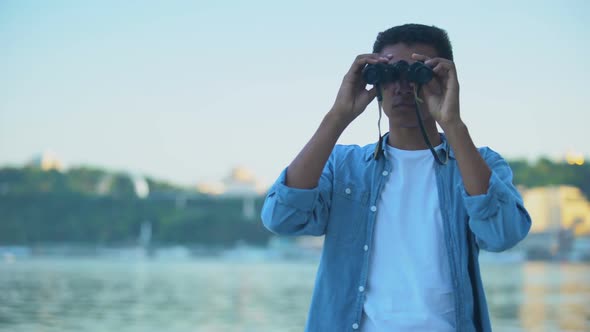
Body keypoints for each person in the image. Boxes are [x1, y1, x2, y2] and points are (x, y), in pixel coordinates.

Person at [260, 23, 531, 332]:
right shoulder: (343, 165)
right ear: (374, 82)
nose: (402, 87)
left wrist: (453, 124)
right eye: (389, 74)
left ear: (442, 80)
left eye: (417, 74)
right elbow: (281, 218)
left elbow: (503, 235)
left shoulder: (479, 164)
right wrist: (338, 117)